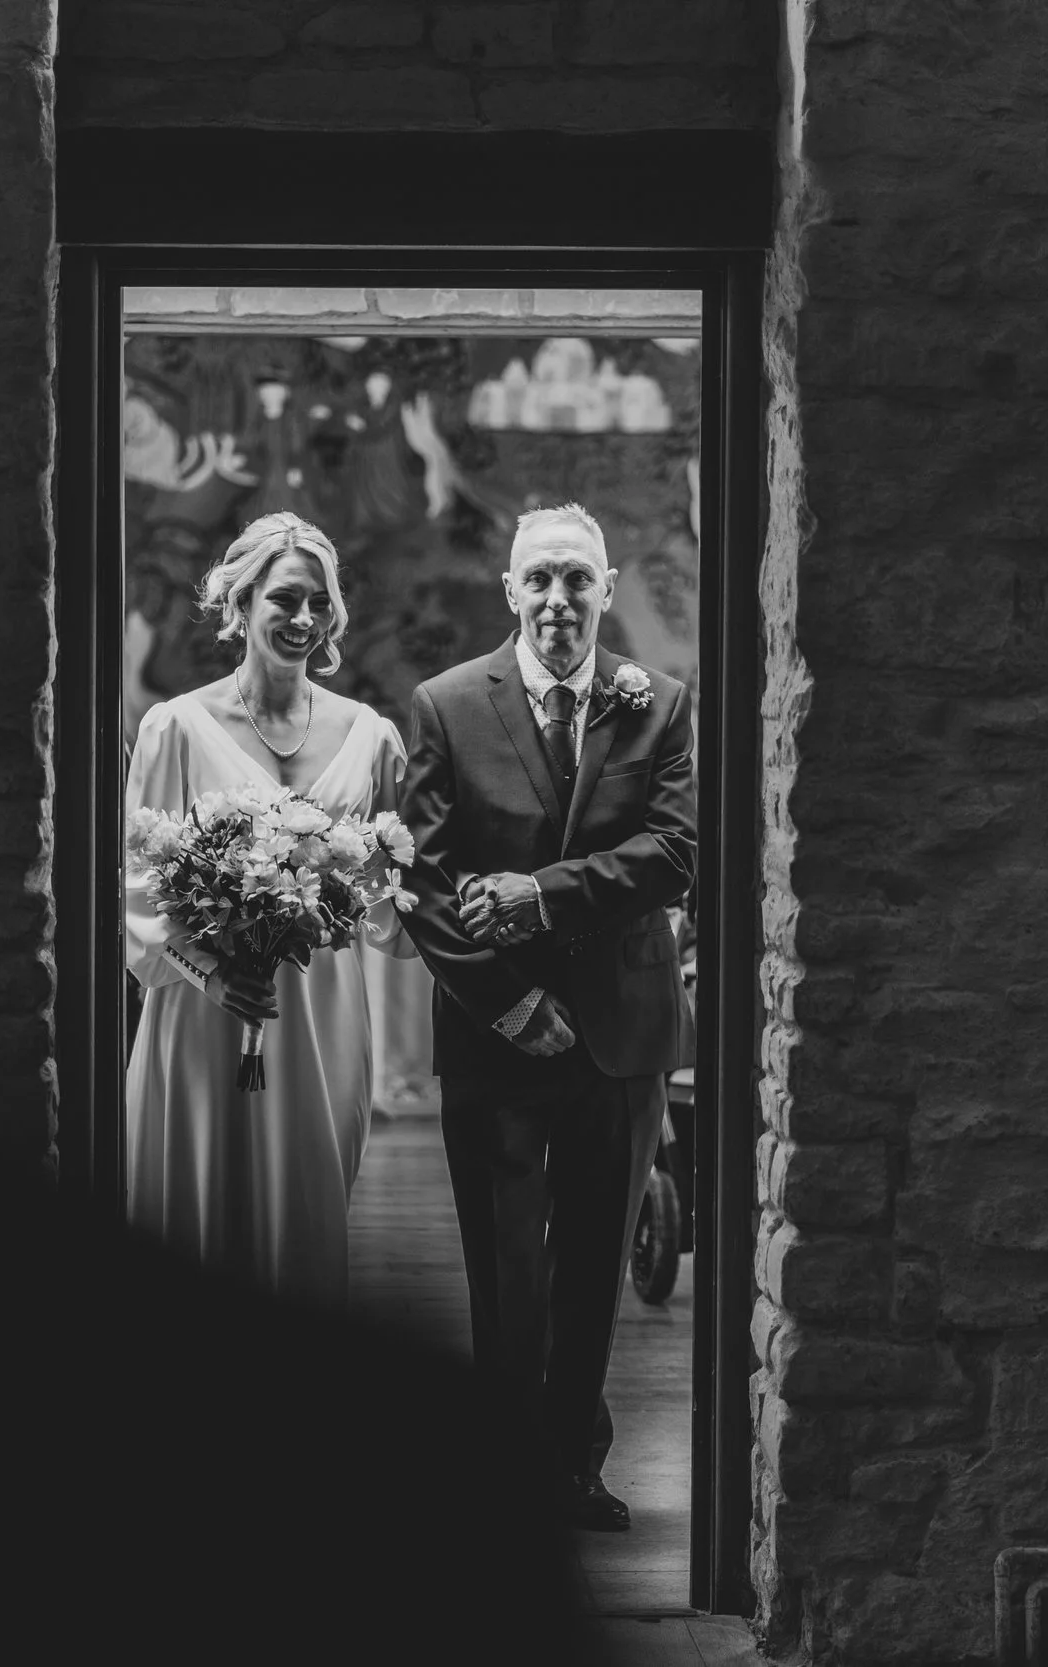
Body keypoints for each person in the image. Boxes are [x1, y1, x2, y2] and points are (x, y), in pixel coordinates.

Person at [399, 503, 699, 1532]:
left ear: (606, 589)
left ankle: (572, 1460)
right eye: (541, 579)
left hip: (620, 1034)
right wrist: (508, 998)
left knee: (591, 1265)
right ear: (510, 590)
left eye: (578, 578)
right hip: (494, 1032)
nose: (558, 599)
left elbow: (675, 850)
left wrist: (543, 889)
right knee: (505, 1264)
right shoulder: (443, 704)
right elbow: (423, 885)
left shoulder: (657, 702)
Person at [123, 511, 416, 1305]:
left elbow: (398, 902)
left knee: (306, 1213)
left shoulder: (371, 737)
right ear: (242, 603)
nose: (304, 619)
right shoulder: (174, 727)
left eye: (319, 603)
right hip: (200, 1010)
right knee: (194, 1209)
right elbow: (138, 896)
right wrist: (212, 974)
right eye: (285, 599)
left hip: (321, 1011)